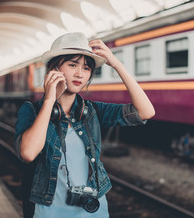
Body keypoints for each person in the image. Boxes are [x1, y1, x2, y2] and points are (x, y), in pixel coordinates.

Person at [14, 32, 155, 218]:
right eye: (72, 65)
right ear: (54, 68)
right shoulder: (31, 110)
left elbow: (145, 112)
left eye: (87, 68)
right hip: (49, 212)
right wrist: (49, 101)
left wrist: (117, 64)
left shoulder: (92, 111)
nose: (80, 73)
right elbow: (28, 153)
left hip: (93, 212)